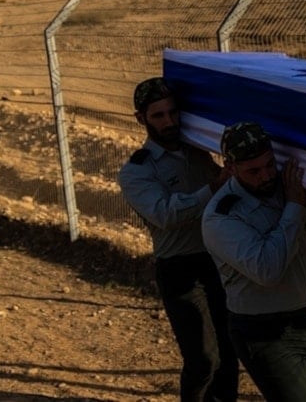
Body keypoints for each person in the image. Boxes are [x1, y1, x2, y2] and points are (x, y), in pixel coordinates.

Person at [117, 77, 239, 402]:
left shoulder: (197, 150)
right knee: (203, 360)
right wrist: (213, 187)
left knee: (229, 355)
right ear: (141, 119)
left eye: (173, 112)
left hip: (218, 261)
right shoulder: (136, 171)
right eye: (158, 115)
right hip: (181, 270)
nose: (169, 122)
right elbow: (165, 215)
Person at [201, 121, 306, 402]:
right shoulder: (221, 217)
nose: (266, 176)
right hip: (267, 334)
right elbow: (268, 269)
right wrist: (295, 206)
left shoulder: (282, 184)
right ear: (230, 166)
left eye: (269, 165)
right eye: (253, 171)